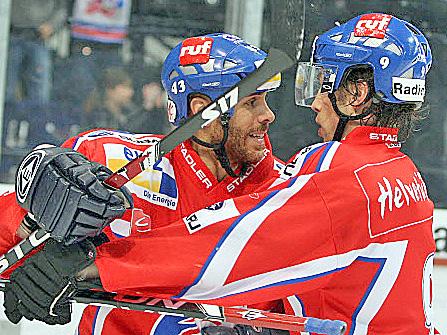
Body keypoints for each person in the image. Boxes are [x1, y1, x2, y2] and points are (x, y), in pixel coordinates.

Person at [0, 33, 286, 335]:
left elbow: (315, 304)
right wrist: (45, 245)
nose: (269, 115)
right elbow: (9, 226)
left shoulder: (286, 190)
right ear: (202, 110)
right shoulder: (110, 163)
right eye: (252, 102)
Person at [6, 0, 68, 105]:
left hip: (38, 38)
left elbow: (62, 9)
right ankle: (6, 117)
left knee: (39, 86)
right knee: (7, 84)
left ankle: (37, 118)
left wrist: (52, 26)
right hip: (11, 34)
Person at [81, 66, 136, 131]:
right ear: (110, 90)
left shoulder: (130, 111)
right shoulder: (99, 114)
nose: (131, 92)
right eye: (125, 87)